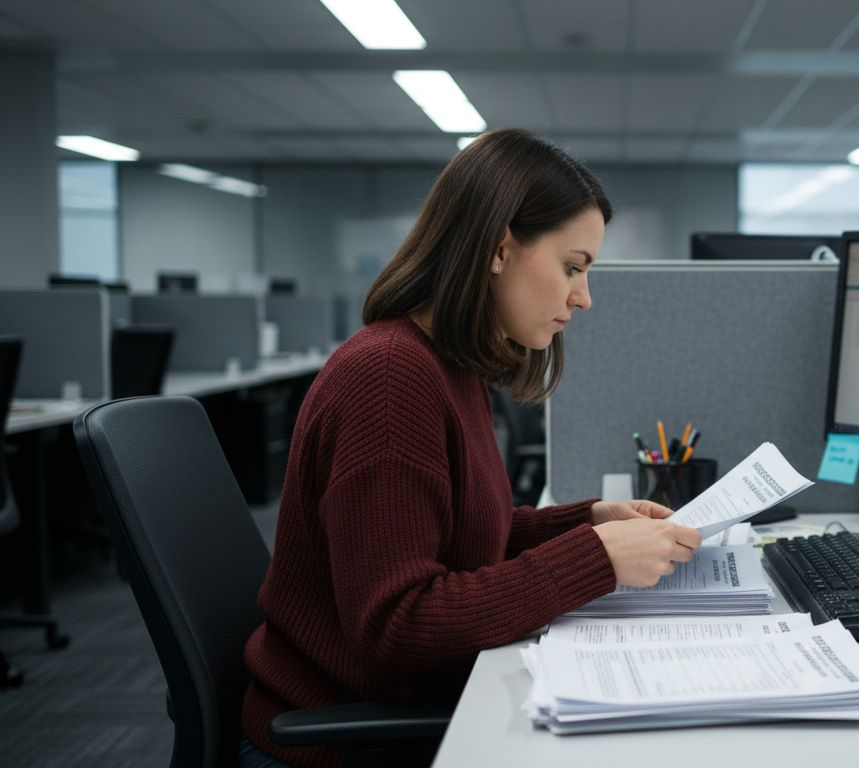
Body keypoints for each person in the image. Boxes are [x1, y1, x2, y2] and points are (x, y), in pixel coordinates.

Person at [240, 128, 702, 768]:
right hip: (345, 737)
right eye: (572, 267)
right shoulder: (389, 379)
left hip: (394, 711)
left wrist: (587, 522)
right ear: (499, 248)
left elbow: (456, 535)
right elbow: (396, 626)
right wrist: (593, 559)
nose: (584, 296)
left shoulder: (443, 364)